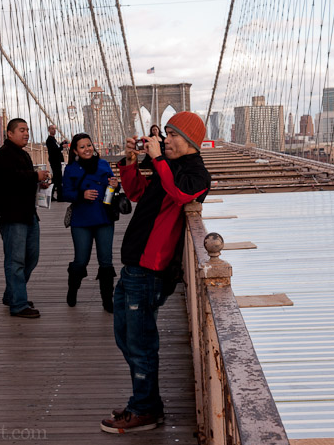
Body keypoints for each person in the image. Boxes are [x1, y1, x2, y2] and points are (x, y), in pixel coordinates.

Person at [100, 111, 211, 434]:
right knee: (125, 336)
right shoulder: (169, 166)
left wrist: (159, 158)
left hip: (150, 269)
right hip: (134, 265)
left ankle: (145, 409)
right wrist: (132, 161)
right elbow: (135, 193)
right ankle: (145, 400)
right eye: (166, 133)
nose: (166, 140)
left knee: (140, 342)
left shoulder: (195, 173)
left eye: (173, 135)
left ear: (190, 141)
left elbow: (181, 194)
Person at [0, 118, 51, 319]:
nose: (26, 133)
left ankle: (13, 294)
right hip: (11, 215)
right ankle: (18, 304)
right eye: (22, 130)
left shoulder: (23, 155)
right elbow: (10, 180)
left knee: (31, 257)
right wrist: (35, 177)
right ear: (9, 133)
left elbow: (22, 179)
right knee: (16, 260)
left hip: (27, 213)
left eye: (28, 130)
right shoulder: (2, 155)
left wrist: (38, 183)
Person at [62, 133, 119, 311]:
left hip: (104, 217)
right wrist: (81, 195)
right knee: (81, 259)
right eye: (82, 147)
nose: (87, 149)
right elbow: (64, 193)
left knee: (106, 261)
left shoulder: (103, 164)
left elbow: (110, 193)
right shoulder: (71, 168)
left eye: (89, 145)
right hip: (81, 219)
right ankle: (73, 289)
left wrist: (115, 186)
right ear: (75, 151)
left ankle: (107, 301)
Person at [46, 125, 65, 201]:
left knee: (56, 179)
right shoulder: (49, 140)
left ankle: (51, 195)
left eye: (55, 129)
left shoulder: (53, 140)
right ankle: (60, 197)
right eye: (52, 129)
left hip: (56, 160)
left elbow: (56, 148)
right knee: (58, 178)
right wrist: (62, 147)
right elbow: (55, 150)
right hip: (54, 161)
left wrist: (61, 144)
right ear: (49, 130)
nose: (54, 130)